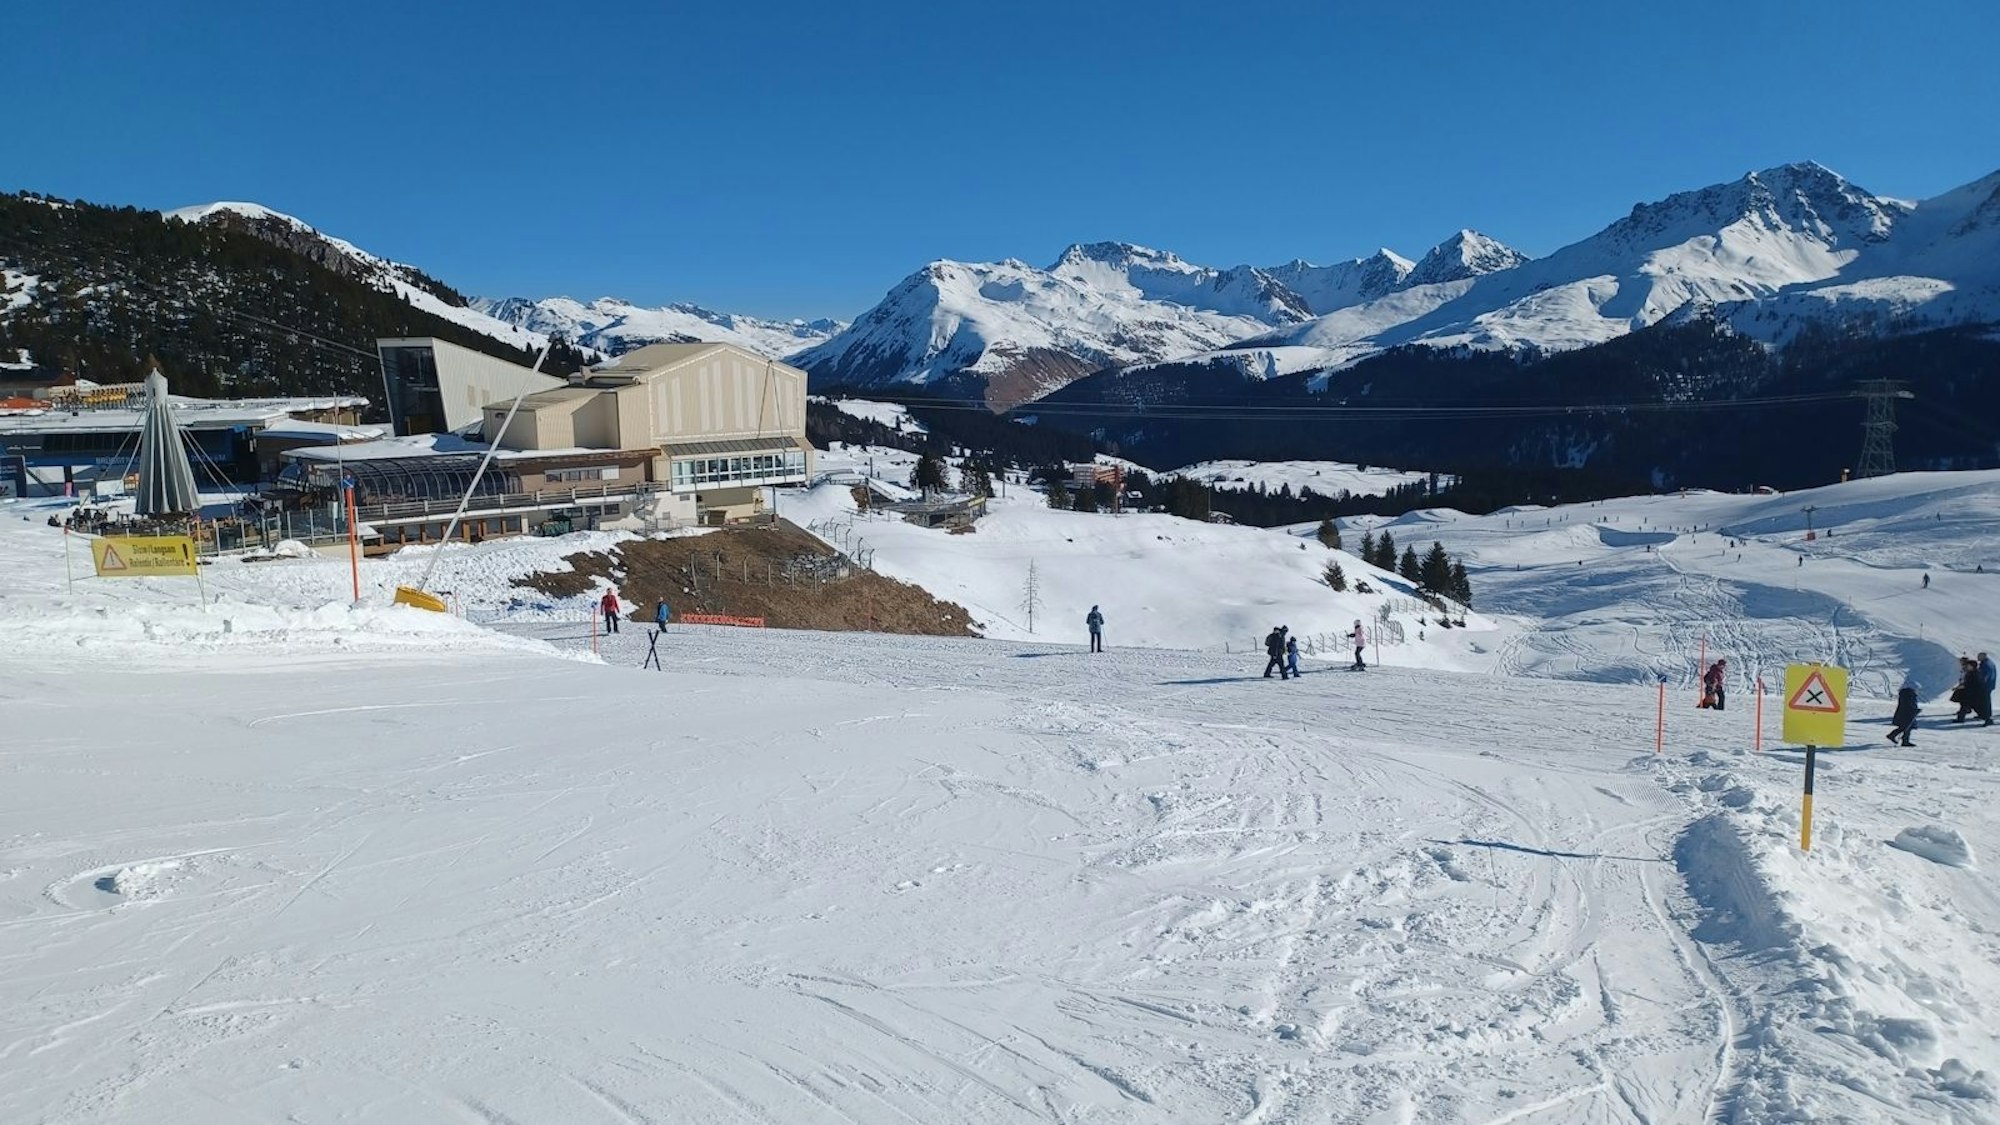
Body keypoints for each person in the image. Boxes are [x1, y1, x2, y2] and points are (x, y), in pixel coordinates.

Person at [1887, 679, 1920, 747]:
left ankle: (1905, 741)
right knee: (1904, 726)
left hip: (1907, 712)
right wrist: (1915, 710)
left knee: (1908, 727)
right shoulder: (1908, 694)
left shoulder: (1907, 693)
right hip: (1906, 713)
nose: (1917, 690)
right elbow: (1908, 704)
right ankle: (1892, 735)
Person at [1952, 656, 1978, 722]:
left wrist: (1960, 686)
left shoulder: (1969, 671)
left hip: (1966, 690)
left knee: (1965, 703)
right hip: (1965, 688)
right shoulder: (1965, 669)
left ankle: (1961, 718)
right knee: (1964, 703)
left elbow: (1967, 681)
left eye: (1962, 661)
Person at [1978, 652, 1997, 726]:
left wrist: (1982, 682)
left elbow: (1986, 675)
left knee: (1985, 702)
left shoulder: (1986, 664)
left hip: (1986, 686)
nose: (1978, 658)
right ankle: (1985, 715)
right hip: (1988, 685)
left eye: (1979, 656)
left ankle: (1987, 718)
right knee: (1985, 701)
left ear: (1983, 656)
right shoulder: (1989, 663)